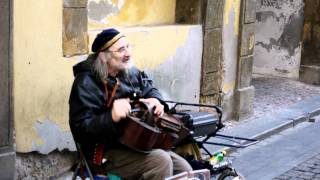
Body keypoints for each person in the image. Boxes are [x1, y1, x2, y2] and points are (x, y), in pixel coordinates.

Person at [69, 28, 192, 179]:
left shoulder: (130, 72)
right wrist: (111, 116)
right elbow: (80, 129)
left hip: (136, 143)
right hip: (103, 151)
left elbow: (149, 87)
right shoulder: (86, 82)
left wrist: (156, 100)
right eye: (121, 50)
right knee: (161, 161)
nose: (128, 53)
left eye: (128, 46)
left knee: (184, 169)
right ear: (103, 56)